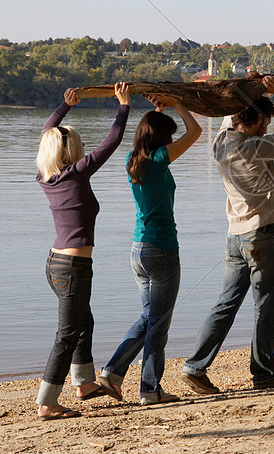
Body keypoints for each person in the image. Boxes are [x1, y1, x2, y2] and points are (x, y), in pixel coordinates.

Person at [181, 75, 274, 393]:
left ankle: (195, 366)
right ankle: (264, 373)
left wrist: (248, 88)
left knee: (225, 303)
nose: (267, 128)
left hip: (234, 237)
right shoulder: (255, 147)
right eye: (266, 122)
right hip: (262, 235)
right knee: (266, 305)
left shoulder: (221, 142)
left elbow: (230, 117)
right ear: (259, 120)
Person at [34, 82, 130, 420]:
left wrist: (66, 106)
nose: (84, 147)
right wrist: (123, 106)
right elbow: (111, 142)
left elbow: (47, 133)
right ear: (69, 151)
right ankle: (47, 402)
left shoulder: (46, 176)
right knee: (67, 335)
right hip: (72, 268)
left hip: (56, 264)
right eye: (79, 143)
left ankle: (84, 383)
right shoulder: (76, 174)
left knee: (83, 321)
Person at [97, 95, 202, 405]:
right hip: (162, 248)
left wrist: (159, 112)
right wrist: (179, 105)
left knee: (149, 317)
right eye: (167, 136)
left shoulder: (133, 160)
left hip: (138, 249)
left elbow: (153, 135)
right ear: (161, 139)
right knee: (158, 323)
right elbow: (195, 132)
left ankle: (113, 373)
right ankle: (150, 389)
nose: (171, 141)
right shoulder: (158, 160)